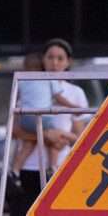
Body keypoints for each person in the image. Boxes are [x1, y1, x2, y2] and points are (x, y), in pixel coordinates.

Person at [8, 38, 89, 216]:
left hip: (60, 169)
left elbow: (80, 138)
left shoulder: (75, 93)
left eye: (60, 58)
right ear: (42, 60)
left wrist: (61, 135)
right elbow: (14, 130)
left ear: (68, 62)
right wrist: (47, 137)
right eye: (50, 57)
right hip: (29, 168)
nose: (55, 63)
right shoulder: (27, 86)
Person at [7, 50, 77, 190]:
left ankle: (15, 170)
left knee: (28, 144)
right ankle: (52, 168)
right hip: (42, 116)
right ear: (43, 66)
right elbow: (58, 98)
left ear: (25, 67)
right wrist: (74, 107)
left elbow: (14, 100)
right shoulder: (48, 79)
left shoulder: (22, 81)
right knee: (54, 140)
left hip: (25, 116)